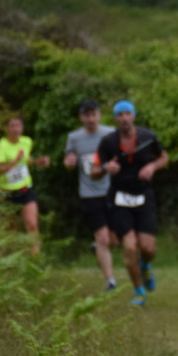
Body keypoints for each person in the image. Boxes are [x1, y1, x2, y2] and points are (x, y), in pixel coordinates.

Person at [94, 100, 168, 306]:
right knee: (129, 247)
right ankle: (139, 291)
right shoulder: (108, 142)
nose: (124, 118)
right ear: (115, 119)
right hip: (119, 199)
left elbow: (164, 158)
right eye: (120, 115)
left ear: (133, 116)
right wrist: (106, 168)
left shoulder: (147, 137)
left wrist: (152, 167)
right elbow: (94, 170)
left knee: (148, 248)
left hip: (143, 196)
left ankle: (145, 265)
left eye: (127, 114)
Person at [63, 98, 118, 291]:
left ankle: (98, 248)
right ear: (81, 117)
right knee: (103, 238)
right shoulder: (74, 138)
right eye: (87, 115)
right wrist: (69, 162)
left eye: (93, 114)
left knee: (114, 239)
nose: (91, 118)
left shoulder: (110, 133)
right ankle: (110, 281)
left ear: (99, 114)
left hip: (112, 190)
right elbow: (68, 160)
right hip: (89, 194)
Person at [0, 115, 51, 254]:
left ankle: (36, 259)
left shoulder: (26, 142)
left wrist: (38, 162)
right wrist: (14, 162)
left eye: (18, 126)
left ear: (22, 128)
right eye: (12, 126)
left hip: (25, 189)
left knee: (32, 225)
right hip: (7, 192)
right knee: (11, 230)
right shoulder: (2, 146)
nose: (15, 129)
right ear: (7, 128)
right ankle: (12, 258)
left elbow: (27, 159)